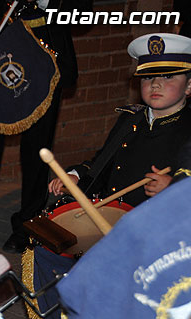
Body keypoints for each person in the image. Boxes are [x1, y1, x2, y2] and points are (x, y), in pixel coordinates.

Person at [0, 0, 92, 253]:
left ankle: (27, 225)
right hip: (7, 52)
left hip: (45, 61)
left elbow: (81, 15)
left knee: (37, 150)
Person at [48, 33, 191, 207]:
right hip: (112, 214)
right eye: (147, 77)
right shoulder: (131, 119)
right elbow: (103, 162)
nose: (155, 83)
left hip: (159, 226)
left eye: (168, 77)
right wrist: (77, 175)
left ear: (189, 86)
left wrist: (174, 188)